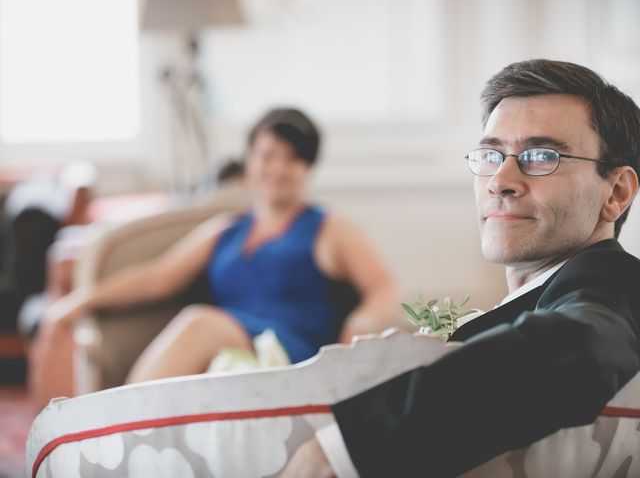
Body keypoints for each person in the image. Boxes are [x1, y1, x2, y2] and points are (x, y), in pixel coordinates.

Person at [281, 59, 640, 477]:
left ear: (615, 192)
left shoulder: (608, 285)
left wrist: (346, 451)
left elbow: (579, 346)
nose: (500, 179)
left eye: (541, 156)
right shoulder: (546, 298)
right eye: (491, 154)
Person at [37, 108, 398, 388]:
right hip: (229, 356)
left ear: (307, 167)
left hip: (289, 353)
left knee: (198, 324)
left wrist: (361, 323)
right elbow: (155, 278)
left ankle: (118, 432)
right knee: (202, 346)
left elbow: (384, 288)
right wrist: (81, 300)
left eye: (293, 158)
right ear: (251, 161)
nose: (278, 168)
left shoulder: (329, 228)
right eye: (268, 155)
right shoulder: (226, 230)